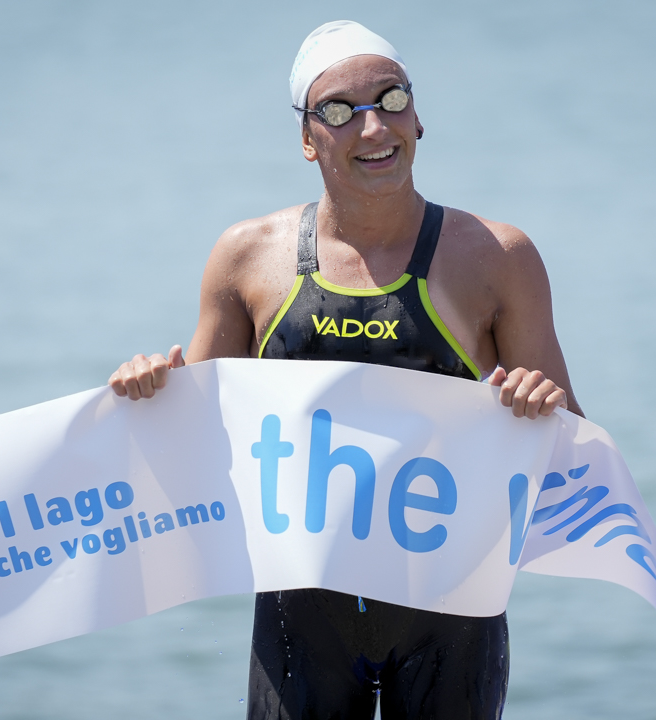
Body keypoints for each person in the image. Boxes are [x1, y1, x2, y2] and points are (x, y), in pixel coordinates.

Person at [108, 20, 582, 720]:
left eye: (390, 100)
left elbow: (576, 457)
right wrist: (148, 390)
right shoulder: (247, 259)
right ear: (306, 138)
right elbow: (191, 447)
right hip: (303, 618)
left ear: (418, 117)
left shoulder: (495, 258)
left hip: (452, 613)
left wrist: (541, 408)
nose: (372, 127)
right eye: (338, 110)